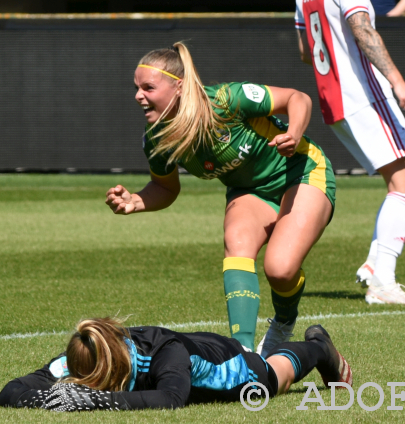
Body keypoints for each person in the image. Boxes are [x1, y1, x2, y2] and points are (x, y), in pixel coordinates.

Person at [104, 42, 336, 357]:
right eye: (136, 88)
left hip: (301, 171)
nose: (138, 95)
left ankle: (283, 322)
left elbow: (298, 98)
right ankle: (243, 354)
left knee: (279, 269)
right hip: (250, 191)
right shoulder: (157, 138)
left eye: (148, 87)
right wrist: (136, 200)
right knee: (236, 240)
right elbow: (166, 188)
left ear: (179, 87)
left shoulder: (226, 100)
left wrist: (294, 133)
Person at [294, 0, 405, 305]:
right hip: (363, 95)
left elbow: (304, 53)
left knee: (398, 182)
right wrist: (398, 81)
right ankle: (383, 281)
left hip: (334, 102)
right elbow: (364, 30)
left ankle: (373, 265)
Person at [0, 317, 352, 411]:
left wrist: (93, 401)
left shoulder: (164, 354)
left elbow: (171, 398)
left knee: (275, 377)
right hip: (191, 344)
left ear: (114, 372)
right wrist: (41, 398)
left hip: (226, 362)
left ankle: (318, 347)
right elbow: (10, 391)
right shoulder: (84, 352)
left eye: (95, 384)